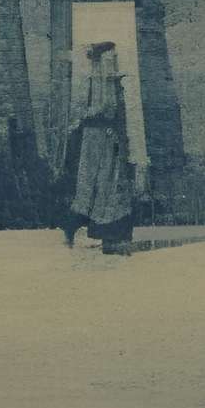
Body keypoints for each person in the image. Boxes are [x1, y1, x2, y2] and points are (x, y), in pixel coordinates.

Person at [62, 42, 142, 256]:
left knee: (101, 184)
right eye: (110, 59)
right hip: (103, 137)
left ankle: (103, 233)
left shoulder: (98, 80)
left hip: (101, 135)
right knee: (106, 183)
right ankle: (105, 234)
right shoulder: (101, 82)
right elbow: (107, 107)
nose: (113, 63)